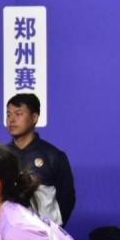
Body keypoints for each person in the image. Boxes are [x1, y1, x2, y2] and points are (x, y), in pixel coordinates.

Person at [6, 93, 76, 226]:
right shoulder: (0, 156)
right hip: (7, 233)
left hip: (44, 233)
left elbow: (67, 198)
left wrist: (53, 228)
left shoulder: (53, 156)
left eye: (18, 114)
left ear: (34, 118)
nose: (12, 120)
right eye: (8, 114)